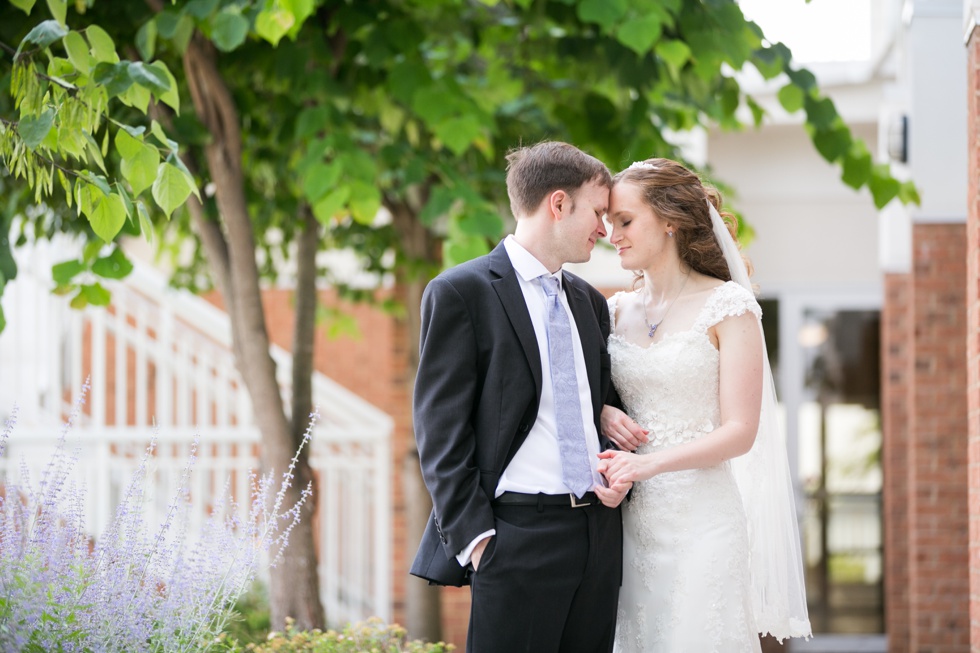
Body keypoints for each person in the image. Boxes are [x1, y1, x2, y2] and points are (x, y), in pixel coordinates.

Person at [409, 141, 632, 653]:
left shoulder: (590, 303)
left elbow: (596, 406)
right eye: (598, 212)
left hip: (598, 536)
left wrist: (618, 470)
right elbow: (441, 432)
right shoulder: (461, 293)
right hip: (515, 539)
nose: (604, 229)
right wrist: (480, 542)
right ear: (558, 204)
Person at [596, 158, 812, 652]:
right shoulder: (611, 310)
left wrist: (646, 464)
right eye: (609, 223)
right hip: (628, 527)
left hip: (703, 524)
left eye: (625, 221)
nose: (613, 235)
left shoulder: (728, 306)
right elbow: (591, 399)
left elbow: (739, 431)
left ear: (670, 220)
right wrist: (604, 413)